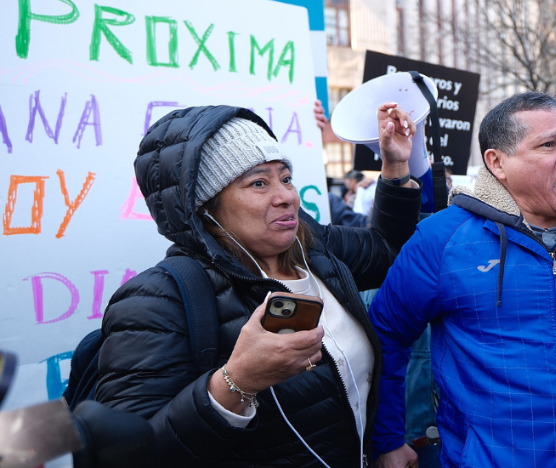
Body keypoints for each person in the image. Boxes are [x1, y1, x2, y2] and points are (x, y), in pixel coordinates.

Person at [94, 103, 422, 467]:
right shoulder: (156, 299)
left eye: (285, 177)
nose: (285, 196)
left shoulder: (315, 247)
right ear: (206, 205)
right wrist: (235, 383)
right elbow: (129, 455)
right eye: (259, 183)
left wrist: (393, 169)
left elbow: (387, 252)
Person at [370, 92, 556, 468]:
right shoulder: (441, 239)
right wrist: (387, 439)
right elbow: (386, 337)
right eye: (548, 145)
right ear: (497, 163)